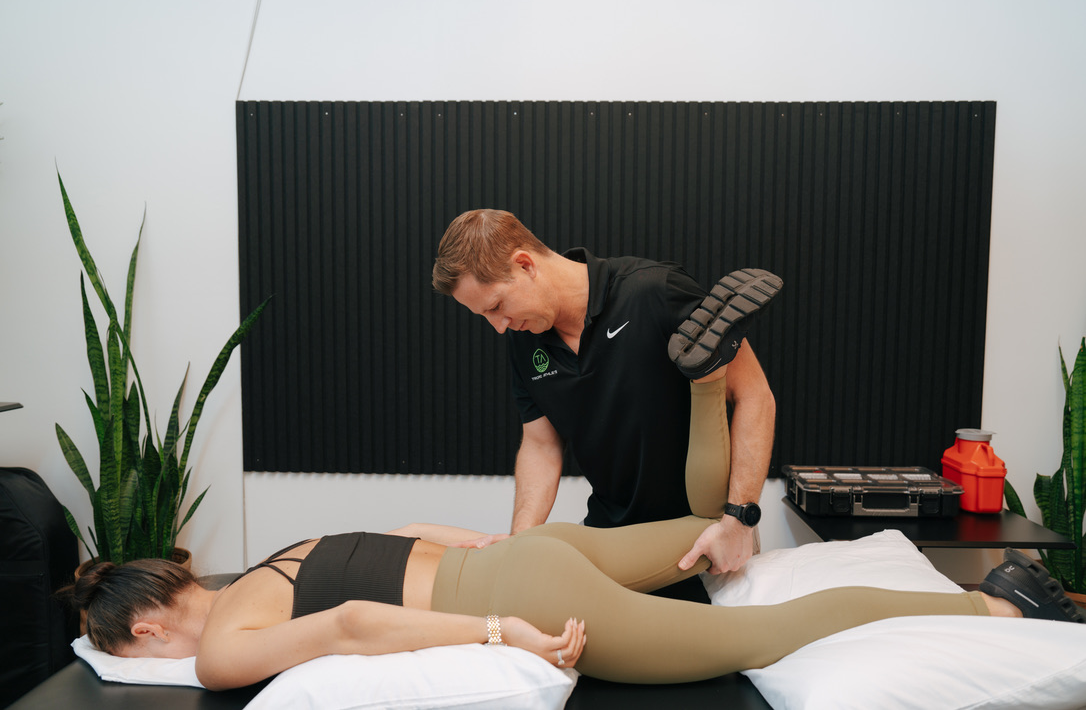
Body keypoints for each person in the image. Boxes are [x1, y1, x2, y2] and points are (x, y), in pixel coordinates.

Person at [62, 383, 1085, 691]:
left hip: (527, 595)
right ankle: (704, 385)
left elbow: (353, 626)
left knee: (761, 635)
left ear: (145, 627)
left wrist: (503, 632)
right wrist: (503, 557)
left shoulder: (224, 648)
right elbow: (406, 532)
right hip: (523, 554)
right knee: (707, 528)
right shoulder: (278, 556)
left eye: (126, 652)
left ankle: (993, 602)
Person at [431, 209, 779, 596]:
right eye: (484, 316)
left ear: (525, 265)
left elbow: (754, 396)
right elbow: (541, 444)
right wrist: (520, 542)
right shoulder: (523, 339)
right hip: (610, 533)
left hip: (706, 532)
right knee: (540, 601)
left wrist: (739, 520)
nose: (498, 326)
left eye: (496, 306)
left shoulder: (654, 291)